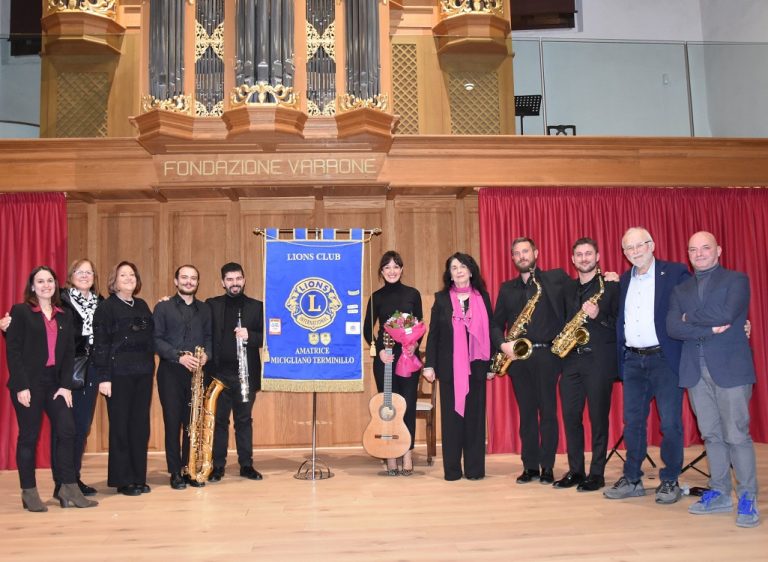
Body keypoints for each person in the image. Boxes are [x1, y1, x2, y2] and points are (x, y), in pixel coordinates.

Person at [667, 231, 760, 527]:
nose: (699, 253)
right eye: (693, 249)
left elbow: (728, 312)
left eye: (705, 247)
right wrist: (707, 327)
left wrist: (688, 318)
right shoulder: (680, 289)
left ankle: (747, 498)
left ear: (718, 249)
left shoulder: (737, 280)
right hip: (695, 371)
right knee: (711, 435)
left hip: (730, 369)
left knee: (736, 435)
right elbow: (672, 327)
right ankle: (719, 492)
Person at [604, 227, 689, 504]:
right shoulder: (625, 279)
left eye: (639, 245)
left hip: (664, 359)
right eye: (628, 248)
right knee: (633, 423)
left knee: (671, 423)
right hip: (633, 361)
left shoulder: (675, 273)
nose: (634, 252)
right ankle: (632, 478)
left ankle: (670, 480)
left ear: (651, 245)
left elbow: (696, 303)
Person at [5, 266, 97, 511]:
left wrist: (66, 386)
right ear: (33, 286)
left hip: (55, 384)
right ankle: (29, 491)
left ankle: (68, 487)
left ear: (56, 285)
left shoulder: (63, 315)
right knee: (29, 437)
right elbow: (13, 352)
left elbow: (68, 354)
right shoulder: (21, 312)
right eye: (40, 281)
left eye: (50, 281)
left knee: (68, 430)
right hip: (28, 384)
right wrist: (22, 385)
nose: (46, 285)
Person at [491, 237, 569, 484]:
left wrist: (606, 277)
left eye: (526, 251)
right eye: (517, 253)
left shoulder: (555, 279)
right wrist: (503, 344)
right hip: (518, 358)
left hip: (547, 355)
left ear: (536, 252)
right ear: (513, 258)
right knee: (526, 415)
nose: (522, 256)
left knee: (548, 413)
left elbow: (581, 289)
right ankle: (530, 467)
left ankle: (548, 467)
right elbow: (495, 323)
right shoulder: (507, 289)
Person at [553, 238, 619, 492]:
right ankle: (576, 470)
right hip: (571, 360)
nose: (583, 258)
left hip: (598, 361)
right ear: (572, 260)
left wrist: (598, 314)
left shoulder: (611, 286)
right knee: (571, 417)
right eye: (579, 255)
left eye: (588, 254)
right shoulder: (567, 288)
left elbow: (618, 323)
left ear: (598, 256)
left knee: (598, 418)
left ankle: (597, 473)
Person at [423, 252, 492, 481]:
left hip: (478, 365)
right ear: (449, 275)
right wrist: (429, 365)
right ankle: (452, 470)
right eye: (454, 268)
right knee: (452, 421)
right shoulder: (442, 299)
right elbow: (433, 335)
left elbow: (491, 331)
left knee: (475, 419)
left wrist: (491, 363)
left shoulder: (482, 297)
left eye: (463, 266)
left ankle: (474, 470)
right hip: (450, 368)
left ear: (471, 271)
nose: (459, 270)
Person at [93, 261, 155, 497]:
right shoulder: (107, 308)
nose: (128, 278)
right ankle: (123, 479)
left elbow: (152, 334)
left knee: (140, 427)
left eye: (132, 274)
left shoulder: (141, 305)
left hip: (143, 375)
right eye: (123, 275)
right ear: (114, 280)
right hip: (117, 376)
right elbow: (101, 344)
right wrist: (104, 377)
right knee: (120, 427)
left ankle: (139, 477)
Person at [363, 251, 424, 475]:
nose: (392, 271)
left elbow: (420, 325)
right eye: (387, 267)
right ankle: (390, 456)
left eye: (396, 267)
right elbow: (367, 330)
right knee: (388, 408)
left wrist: (414, 345)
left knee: (406, 406)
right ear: (381, 271)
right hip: (385, 358)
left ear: (401, 269)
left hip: (407, 357)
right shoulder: (376, 296)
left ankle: (406, 454)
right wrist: (378, 352)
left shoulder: (413, 294)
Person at [153, 265, 212, 489]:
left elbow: (209, 338)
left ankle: (189, 468)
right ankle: (175, 471)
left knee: (193, 423)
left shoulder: (205, 309)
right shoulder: (163, 307)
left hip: (197, 372)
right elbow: (156, 340)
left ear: (198, 282)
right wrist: (179, 357)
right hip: (170, 372)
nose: (189, 282)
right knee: (172, 423)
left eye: (193, 278)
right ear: (176, 281)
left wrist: (206, 355)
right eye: (184, 278)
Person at [205, 262, 264, 482]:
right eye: (229, 279)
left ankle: (246, 465)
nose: (234, 283)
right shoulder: (211, 305)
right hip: (219, 374)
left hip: (245, 375)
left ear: (244, 280)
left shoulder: (256, 306)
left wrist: (251, 335)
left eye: (238, 278)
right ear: (222, 283)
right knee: (219, 421)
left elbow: (269, 336)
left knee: (243, 421)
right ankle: (217, 466)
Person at [54, 259, 103, 498]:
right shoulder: (59, 300)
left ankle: (73, 478)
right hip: (66, 370)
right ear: (71, 275)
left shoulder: (101, 302)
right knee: (65, 428)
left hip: (91, 369)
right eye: (79, 272)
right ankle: (62, 482)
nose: (84, 276)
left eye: (89, 272)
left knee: (82, 427)